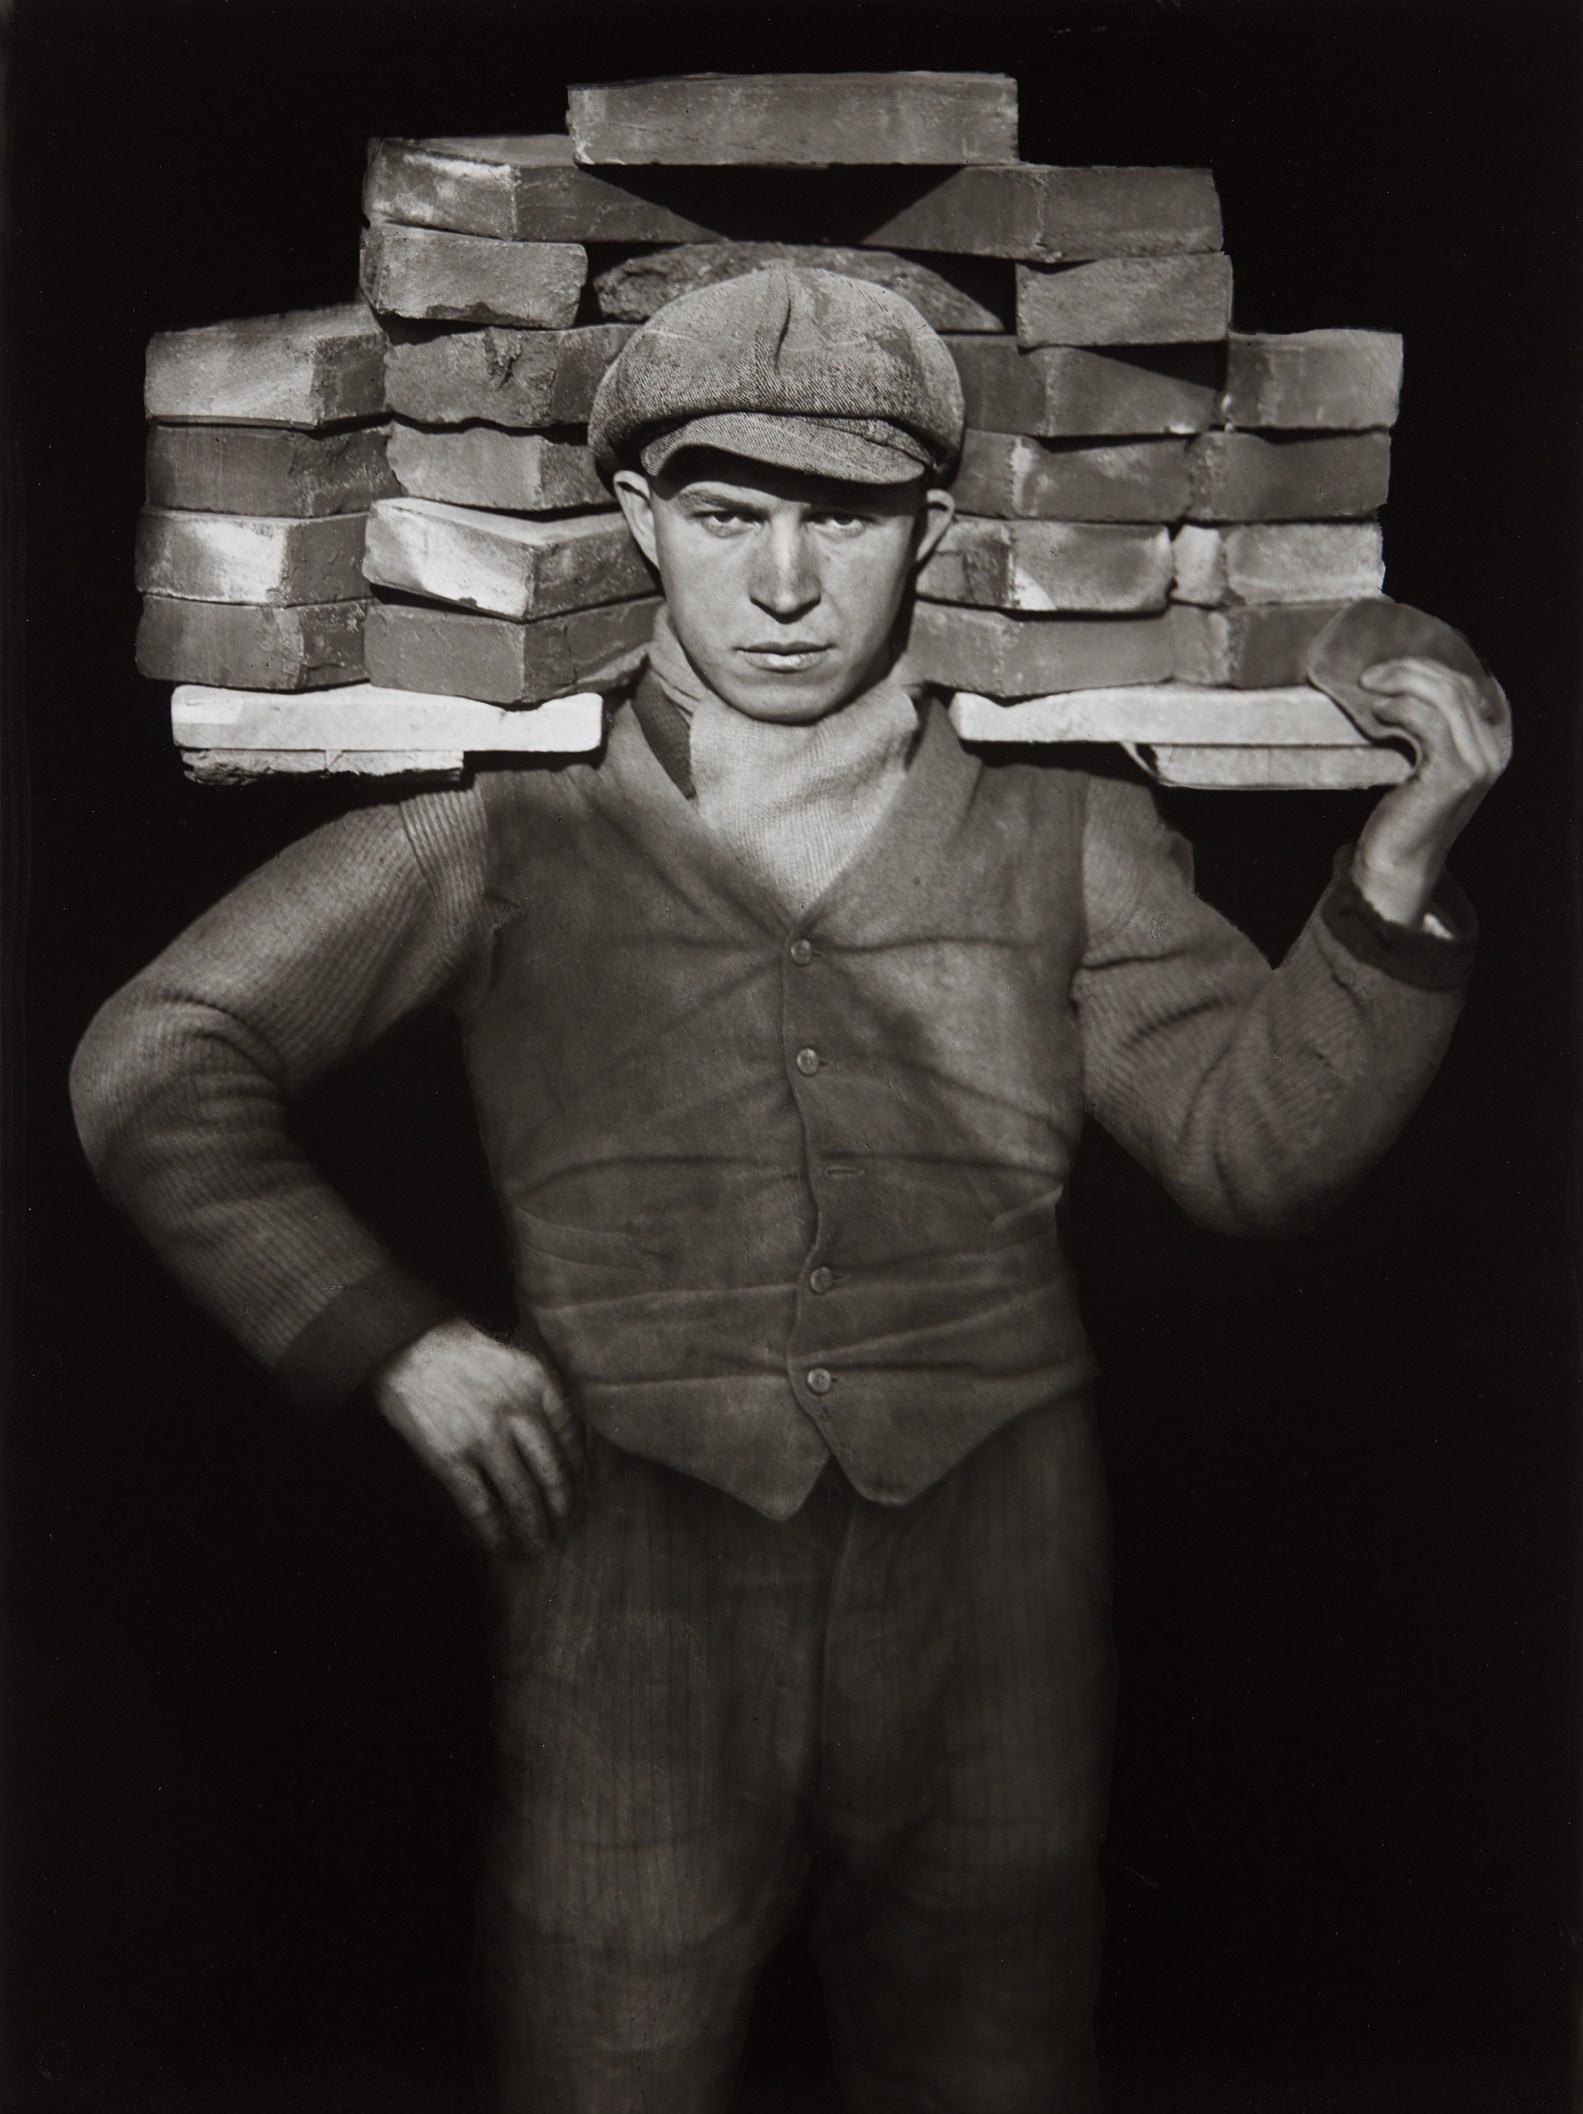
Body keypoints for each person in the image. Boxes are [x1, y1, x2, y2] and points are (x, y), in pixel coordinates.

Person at [70, 266, 1509, 2113]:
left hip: (995, 1577)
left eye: (840, 518)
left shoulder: (1068, 826)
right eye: (730, 515)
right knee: (613, 2063)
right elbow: (155, 1053)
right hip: (633, 1583)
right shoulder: (508, 818)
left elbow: (1254, 1155)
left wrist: (1389, 878)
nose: (779, 584)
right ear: (640, 518)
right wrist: (393, 1339)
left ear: (931, 527)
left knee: (992, 2062)